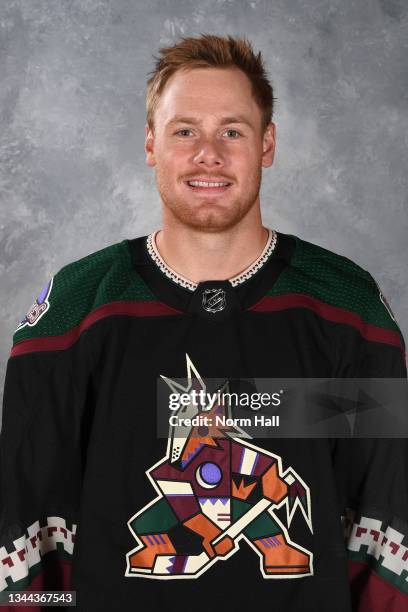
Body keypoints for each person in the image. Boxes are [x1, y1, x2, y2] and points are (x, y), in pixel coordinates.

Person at [0, 33, 407, 612]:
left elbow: (386, 515)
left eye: (232, 131)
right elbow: (28, 526)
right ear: (150, 142)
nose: (208, 154)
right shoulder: (72, 311)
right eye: (184, 130)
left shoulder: (349, 308)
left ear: (266, 144)